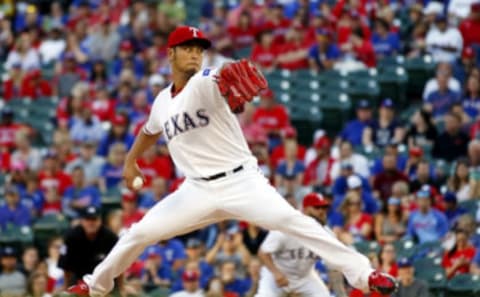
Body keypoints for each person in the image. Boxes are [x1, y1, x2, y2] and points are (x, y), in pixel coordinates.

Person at [66, 26, 396, 297]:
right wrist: (131, 161)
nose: (195, 52)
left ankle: (365, 275)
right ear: (171, 54)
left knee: (297, 222)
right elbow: (149, 130)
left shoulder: (205, 81)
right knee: (138, 233)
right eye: (187, 47)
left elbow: (219, 76)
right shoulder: (162, 101)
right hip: (195, 191)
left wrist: (225, 76)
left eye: (199, 48)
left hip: (242, 183)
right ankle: (95, 286)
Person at [256, 192, 346, 297]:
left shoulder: (327, 235)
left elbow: (334, 267)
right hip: (277, 274)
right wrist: (276, 273)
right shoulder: (285, 228)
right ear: (305, 210)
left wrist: (341, 294)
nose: (322, 211)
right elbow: (263, 253)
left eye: (324, 207)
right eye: (317, 208)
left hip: (305, 277)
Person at [59, 206, 118, 288]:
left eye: (94, 219)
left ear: (100, 221)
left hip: (105, 282)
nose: (91, 223)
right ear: (82, 221)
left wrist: (122, 286)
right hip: (78, 280)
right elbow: (66, 266)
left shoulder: (111, 238)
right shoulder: (71, 237)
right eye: (88, 220)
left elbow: (119, 263)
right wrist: (66, 287)